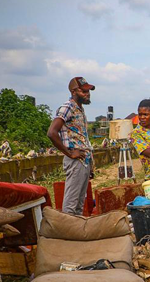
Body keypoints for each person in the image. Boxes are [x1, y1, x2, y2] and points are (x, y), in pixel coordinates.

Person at [47, 77, 95, 215]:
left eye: (88, 91)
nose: (88, 94)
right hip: (75, 160)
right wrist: (69, 153)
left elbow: (82, 138)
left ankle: (76, 232)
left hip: (83, 160)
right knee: (71, 204)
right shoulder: (67, 107)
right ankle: (67, 232)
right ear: (74, 91)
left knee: (79, 204)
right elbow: (52, 133)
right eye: (84, 91)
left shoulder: (79, 109)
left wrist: (90, 164)